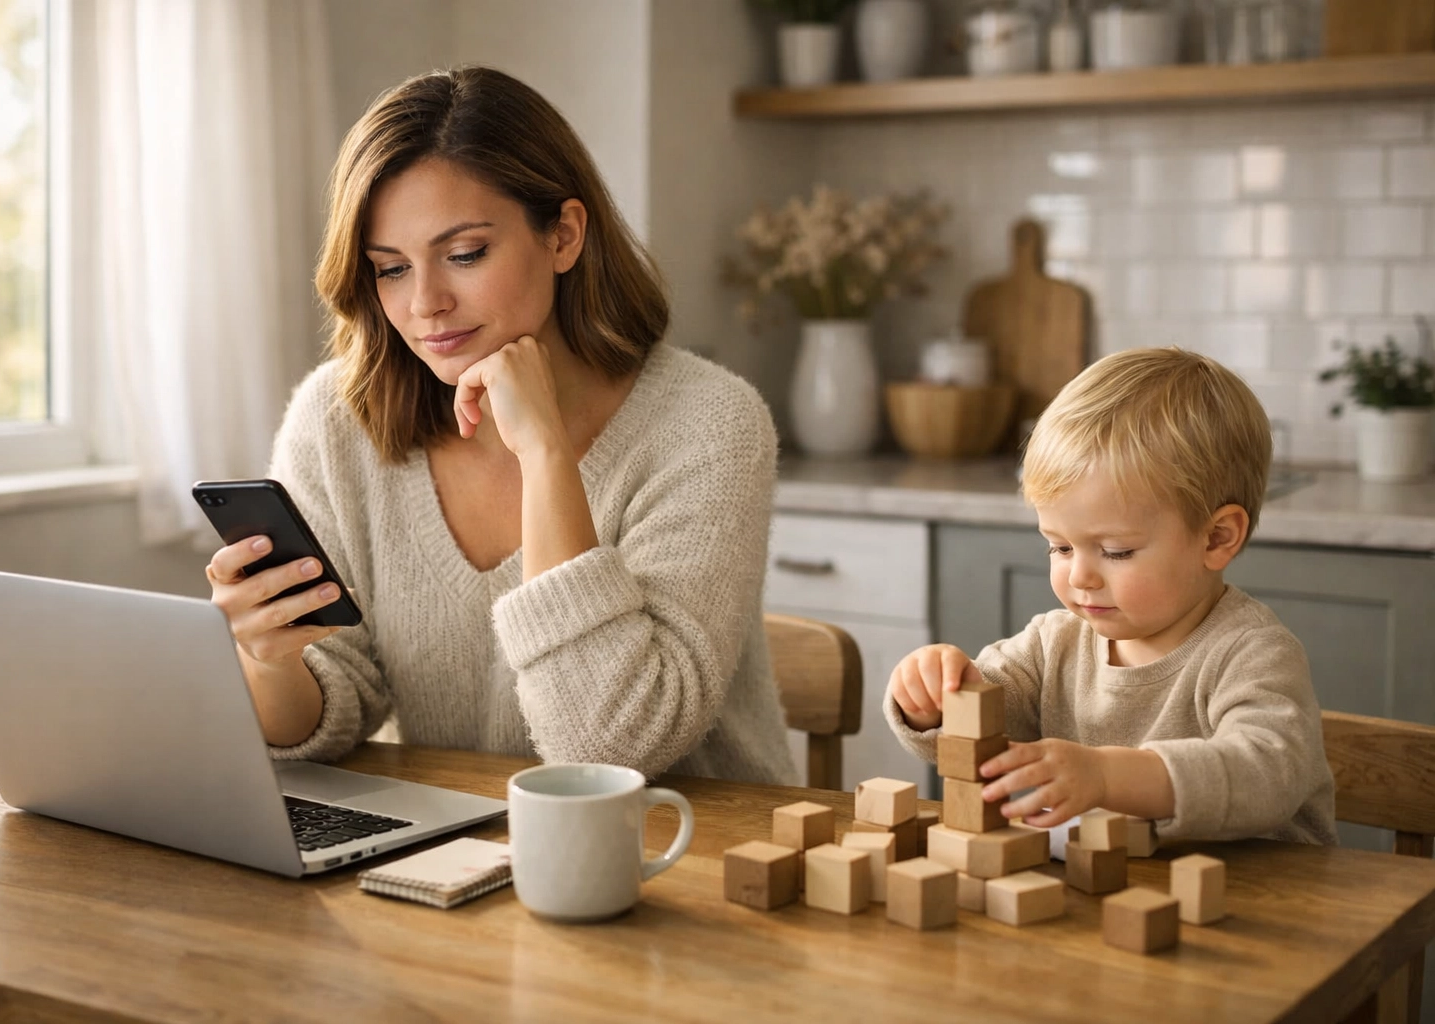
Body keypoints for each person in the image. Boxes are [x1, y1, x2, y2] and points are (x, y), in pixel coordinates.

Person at [204, 66, 796, 784]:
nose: (425, 303)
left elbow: (608, 750)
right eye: (390, 270)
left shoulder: (708, 425)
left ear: (564, 236)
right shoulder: (337, 420)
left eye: (464, 255)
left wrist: (546, 455)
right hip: (454, 855)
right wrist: (268, 660)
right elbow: (329, 719)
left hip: (687, 854)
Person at [885, 347, 1336, 844]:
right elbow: (978, 727)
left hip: (1266, 902)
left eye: (1116, 551)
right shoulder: (1052, 645)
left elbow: (1266, 773)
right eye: (1058, 546)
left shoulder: (1252, 653)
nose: (1080, 576)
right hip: (1118, 897)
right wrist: (932, 698)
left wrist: (1105, 776)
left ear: (1216, 538)